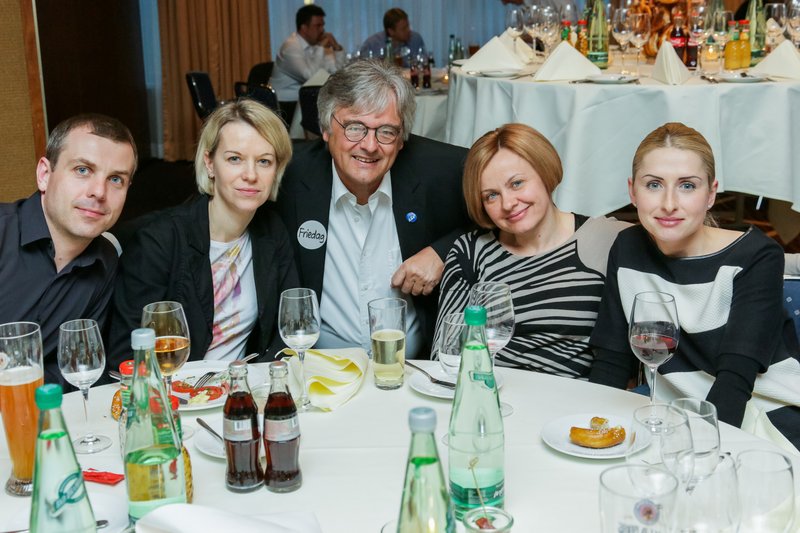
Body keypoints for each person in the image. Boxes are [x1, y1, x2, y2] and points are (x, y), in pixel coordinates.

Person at [590, 122, 800, 452]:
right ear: (632, 191)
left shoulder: (756, 256)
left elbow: (735, 380)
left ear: (711, 194)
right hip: (674, 417)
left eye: (687, 185)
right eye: (654, 184)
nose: (669, 203)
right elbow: (612, 361)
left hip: (767, 418)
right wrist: (593, 435)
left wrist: (698, 458)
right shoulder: (627, 248)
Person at [276, 59, 470, 359]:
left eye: (387, 131)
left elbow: (500, 216)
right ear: (326, 128)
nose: (369, 145)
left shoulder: (442, 171)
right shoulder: (289, 174)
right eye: (355, 128)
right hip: (319, 371)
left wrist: (443, 252)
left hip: (415, 369)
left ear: (401, 139)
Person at [108, 100, 298, 369]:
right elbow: (126, 356)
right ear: (210, 164)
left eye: (264, 161)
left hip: (245, 385)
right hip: (174, 388)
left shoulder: (271, 232)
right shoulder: (158, 243)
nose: (251, 175)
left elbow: (287, 328)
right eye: (235, 159)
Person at [433, 123, 628, 378]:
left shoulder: (608, 239)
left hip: (572, 398)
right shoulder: (470, 252)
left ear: (545, 172)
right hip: (492, 391)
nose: (508, 203)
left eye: (517, 183)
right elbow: (445, 355)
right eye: (491, 195)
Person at [0, 114, 137, 384]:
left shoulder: (106, 261)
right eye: (82, 170)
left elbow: (75, 368)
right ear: (44, 175)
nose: (99, 192)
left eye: (115, 179)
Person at [270, 5, 345, 122]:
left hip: (307, 101)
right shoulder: (290, 47)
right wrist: (320, 48)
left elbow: (339, 73)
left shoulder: (317, 45)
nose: (322, 30)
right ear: (304, 28)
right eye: (318, 26)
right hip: (285, 105)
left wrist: (337, 48)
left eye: (323, 25)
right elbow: (311, 77)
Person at [359, 8, 426, 67]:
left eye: (408, 26)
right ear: (391, 31)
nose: (408, 30)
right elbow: (361, 68)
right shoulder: (372, 45)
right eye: (404, 28)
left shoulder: (416, 39)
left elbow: (424, 64)